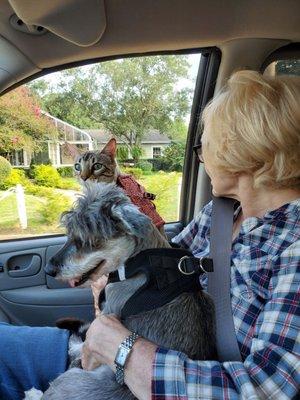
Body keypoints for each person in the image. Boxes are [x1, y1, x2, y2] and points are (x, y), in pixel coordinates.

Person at [0, 70, 299, 400]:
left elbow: (266, 391)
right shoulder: (223, 213)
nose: (201, 157)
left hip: (149, 380)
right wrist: (106, 277)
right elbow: (162, 266)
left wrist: (122, 348)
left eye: (205, 144)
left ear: (241, 150)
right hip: (117, 354)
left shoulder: (293, 249)